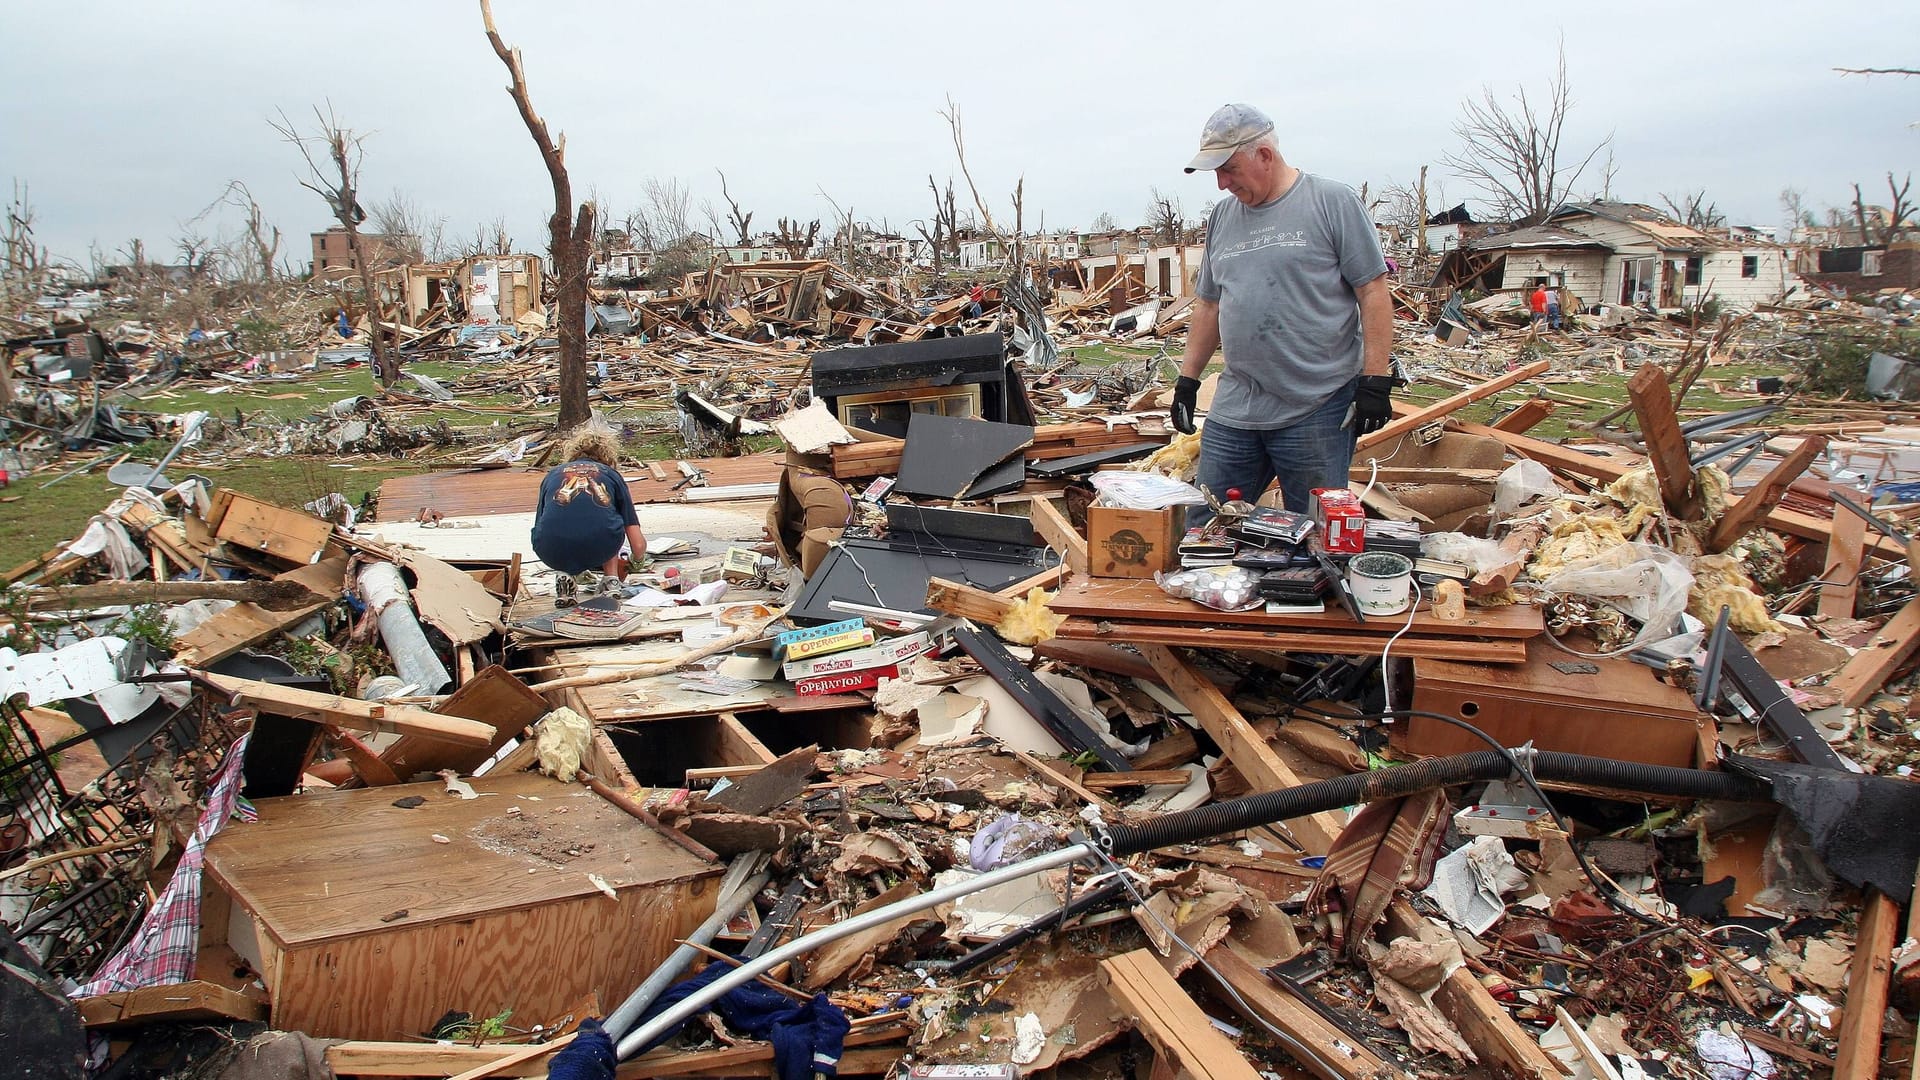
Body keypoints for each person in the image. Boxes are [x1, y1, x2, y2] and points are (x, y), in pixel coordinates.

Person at [1170, 103, 1394, 518]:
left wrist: (1375, 379)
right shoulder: (1223, 218)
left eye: (1229, 169)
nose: (1221, 184)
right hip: (1238, 405)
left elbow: (1372, 291)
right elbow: (1208, 304)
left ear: (1265, 156)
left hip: (1317, 406)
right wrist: (1187, 381)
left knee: (1315, 535)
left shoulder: (1332, 202)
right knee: (1203, 524)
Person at [531, 426, 647, 606]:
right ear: (607, 455)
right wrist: (637, 562)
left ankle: (565, 575)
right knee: (606, 521)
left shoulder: (552, 475)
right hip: (600, 543)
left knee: (562, 523)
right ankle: (611, 581)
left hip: (549, 549)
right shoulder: (610, 475)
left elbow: (542, 524)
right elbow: (637, 542)